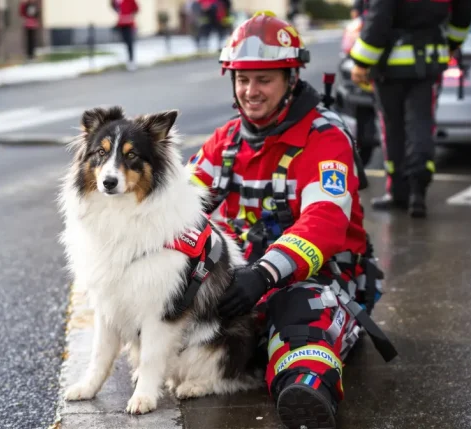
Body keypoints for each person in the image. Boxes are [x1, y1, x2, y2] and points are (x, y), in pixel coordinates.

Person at [186, 11, 397, 429]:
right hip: (244, 279)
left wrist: (264, 275)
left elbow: (325, 221)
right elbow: (179, 211)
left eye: (263, 79)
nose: (250, 91)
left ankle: (306, 388)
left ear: (291, 78)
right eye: (242, 80)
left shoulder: (325, 138)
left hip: (319, 280)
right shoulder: (225, 142)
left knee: (299, 310)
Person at [348, 0, 471, 218]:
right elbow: (465, 10)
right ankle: (418, 190)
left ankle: (399, 193)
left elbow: (379, 18)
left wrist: (361, 62)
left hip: (389, 66)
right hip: (428, 64)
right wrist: (452, 42)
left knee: (392, 129)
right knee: (422, 124)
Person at [111, 0, 139, 71]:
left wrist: (131, 15)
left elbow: (136, 9)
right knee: (125, 42)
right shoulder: (117, 1)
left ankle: (131, 61)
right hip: (121, 24)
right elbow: (113, 5)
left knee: (130, 43)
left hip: (129, 24)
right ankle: (128, 59)